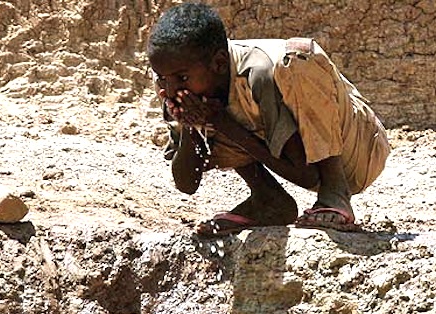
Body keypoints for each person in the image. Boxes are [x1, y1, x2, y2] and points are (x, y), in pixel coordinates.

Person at [148, 3, 390, 238]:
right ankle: (269, 199)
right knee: (221, 109)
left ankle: (335, 192)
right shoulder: (177, 85)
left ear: (220, 64)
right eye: (162, 79)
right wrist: (193, 126)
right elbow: (187, 183)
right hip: (296, 156)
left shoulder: (258, 74)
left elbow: (306, 176)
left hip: (358, 148)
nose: (170, 90)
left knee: (300, 57)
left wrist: (224, 124)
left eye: (181, 78)